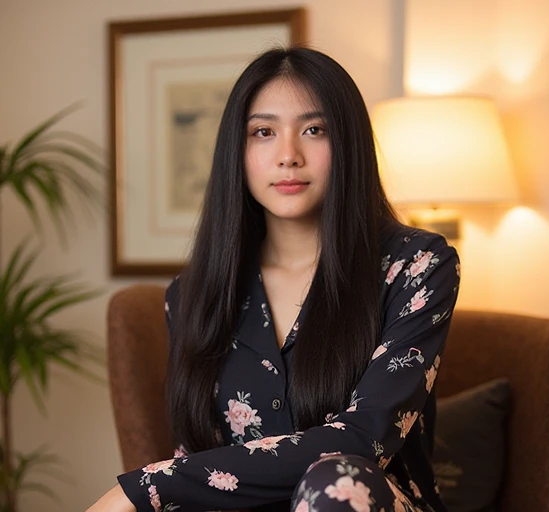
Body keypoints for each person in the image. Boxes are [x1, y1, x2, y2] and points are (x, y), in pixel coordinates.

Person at [88, 46, 460, 512]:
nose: (289, 155)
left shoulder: (418, 266)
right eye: (263, 132)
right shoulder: (190, 297)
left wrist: (146, 485)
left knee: (336, 482)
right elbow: (198, 458)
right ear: (237, 152)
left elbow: (364, 439)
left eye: (314, 129)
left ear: (349, 142)